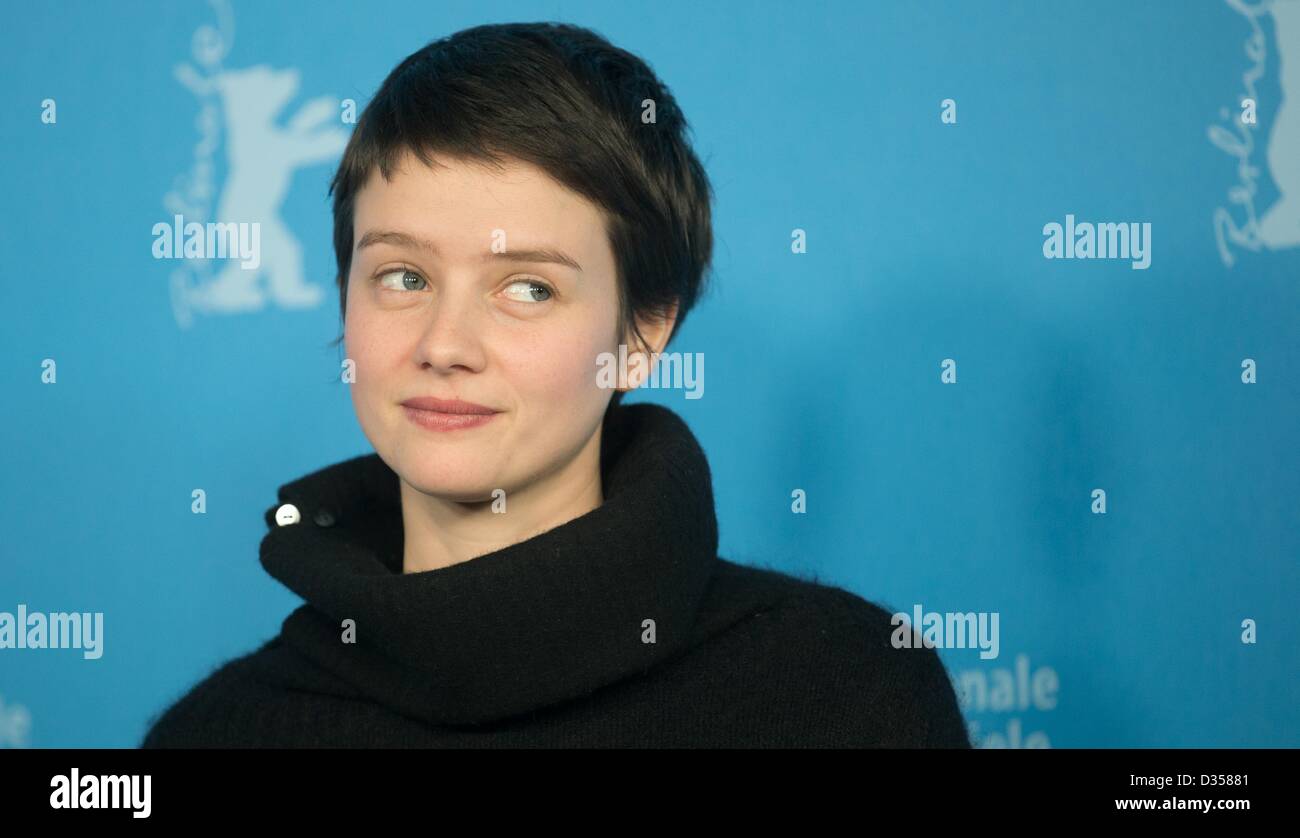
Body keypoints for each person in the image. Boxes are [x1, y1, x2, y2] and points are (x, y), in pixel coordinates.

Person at [141, 21, 971, 747]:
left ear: (642, 334)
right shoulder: (217, 733)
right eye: (401, 276)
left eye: (528, 288)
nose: (444, 344)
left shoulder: (844, 696)